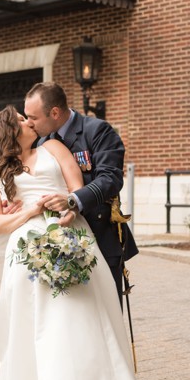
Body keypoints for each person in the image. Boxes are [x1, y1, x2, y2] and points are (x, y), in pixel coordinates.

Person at [0, 106, 161, 380]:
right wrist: (30, 212)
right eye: (21, 119)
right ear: (8, 130)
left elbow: (78, 191)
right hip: (25, 257)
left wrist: (68, 210)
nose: (29, 121)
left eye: (29, 116)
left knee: (79, 331)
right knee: (34, 338)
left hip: (71, 240)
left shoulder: (56, 149)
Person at [20, 82, 137, 305]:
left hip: (100, 237)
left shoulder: (97, 131)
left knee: (108, 313)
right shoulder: (43, 142)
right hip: (62, 244)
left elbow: (110, 178)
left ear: (54, 112)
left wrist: (73, 201)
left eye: (33, 117)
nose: (28, 123)